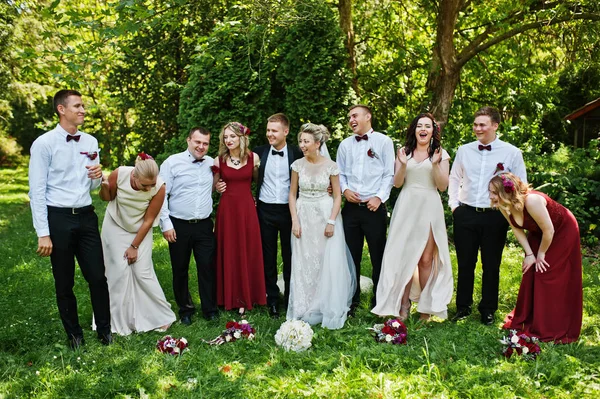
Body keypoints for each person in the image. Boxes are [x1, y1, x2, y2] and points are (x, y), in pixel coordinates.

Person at [28, 89, 112, 349]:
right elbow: (36, 191)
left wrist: (98, 175)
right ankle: (74, 334)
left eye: (83, 106)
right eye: (77, 106)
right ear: (61, 109)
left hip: (86, 216)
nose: (83, 110)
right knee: (64, 282)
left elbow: (95, 185)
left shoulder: (91, 141)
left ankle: (105, 331)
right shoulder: (44, 144)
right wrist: (44, 232)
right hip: (59, 218)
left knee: (98, 277)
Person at [448, 106, 527, 325]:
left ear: (495, 126)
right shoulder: (464, 150)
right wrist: (455, 205)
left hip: (495, 216)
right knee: (465, 263)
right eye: (475, 124)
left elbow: (521, 185)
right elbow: (454, 178)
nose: (477, 128)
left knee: (491, 264)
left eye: (482, 124)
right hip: (466, 213)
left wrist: (509, 210)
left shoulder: (511, 152)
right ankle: (462, 307)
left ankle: (488, 309)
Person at [372, 113, 453, 321]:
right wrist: (402, 164)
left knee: (426, 260)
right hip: (407, 205)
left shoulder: (441, 154)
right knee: (405, 257)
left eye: (427, 126)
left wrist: (435, 164)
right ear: (414, 130)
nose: (423, 129)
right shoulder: (404, 153)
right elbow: (398, 183)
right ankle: (403, 304)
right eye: (419, 126)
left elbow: (443, 186)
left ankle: (425, 308)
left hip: (429, 206)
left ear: (433, 131)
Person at [489, 173, 582, 343]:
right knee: (531, 271)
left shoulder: (532, 201)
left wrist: (541, 254)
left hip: (561, 230)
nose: (491, 196)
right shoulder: (503, 206)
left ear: (506, 192)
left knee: (546, 272)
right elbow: (517, 229)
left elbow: (550, 231)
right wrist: (530, 255)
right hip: (539, 232)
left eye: (494, 192)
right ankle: (531, 318)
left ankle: (552, 325)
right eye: (490, 192)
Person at [287, 123, 356, 329]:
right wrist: (295, 220)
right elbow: (292, 194)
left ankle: (323, 304)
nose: (302, 145)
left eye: (306, 142)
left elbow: (337, 196)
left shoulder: (331, 166)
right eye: (300, 141)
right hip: (303, 214)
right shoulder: (297, 165)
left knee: (324, 259)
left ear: (318, 143)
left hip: (325, 214)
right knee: (304, 261)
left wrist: (331, 221)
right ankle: (302, 306)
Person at [99, 153, 176, 335]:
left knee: (142, 272)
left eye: (152, 184)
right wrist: (103, 187)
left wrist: (134, 246)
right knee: (117, 271)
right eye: (145, 185)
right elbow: (107, 198)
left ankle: (163, 316)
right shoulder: (120, 174)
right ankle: (116, 321)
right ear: (134, 175)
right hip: (115, 224)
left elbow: (149, 220)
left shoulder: (159, 187)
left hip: (141, 228)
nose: (149, 188)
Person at [336, 104, 395, 314]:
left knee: (379, 254)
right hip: (350, 209)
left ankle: (379, 301)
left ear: (368, 116)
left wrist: (379, 197)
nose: (351, 119)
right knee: (350, 255)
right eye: (349, 117)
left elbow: (389, 174)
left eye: (355, 115)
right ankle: (351, 300)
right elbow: (339, 173)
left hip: (374, 209)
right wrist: (344, 190)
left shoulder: (384, 141)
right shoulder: (344, 145)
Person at [159, 127, 218, 326]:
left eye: (205, 143)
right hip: (179, 225)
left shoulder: (212, 163)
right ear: (188, 140)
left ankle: (210, 309)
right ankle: (185, 309)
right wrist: (166, 224)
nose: (201, 146)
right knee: (180, 269)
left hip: (203, 225)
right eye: (197, 142)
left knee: (207, 267)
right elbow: (161, 196)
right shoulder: (172, 163)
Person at [253, 113, 303, 318]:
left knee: (291, 255)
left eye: (274, 130)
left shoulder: (297, 153)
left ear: (286, 131)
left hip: (290, 211)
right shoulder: (258, 153)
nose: (270, 134)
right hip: (265, 210)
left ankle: (291, 298)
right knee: (268, 257)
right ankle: (272, 299)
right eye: (268, 130)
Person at [213, 122, 266, 312]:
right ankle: (227, 297)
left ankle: (248, 296)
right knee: (229, 249)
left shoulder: (254, 158)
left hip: (246, 209)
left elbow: (257, 182)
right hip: (227, 210)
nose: (228, 140)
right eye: (225, 137)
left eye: (232, 136)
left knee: (248, 249)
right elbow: (213, 187)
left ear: (242, 138)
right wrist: (217, 187)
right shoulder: (218, 160)